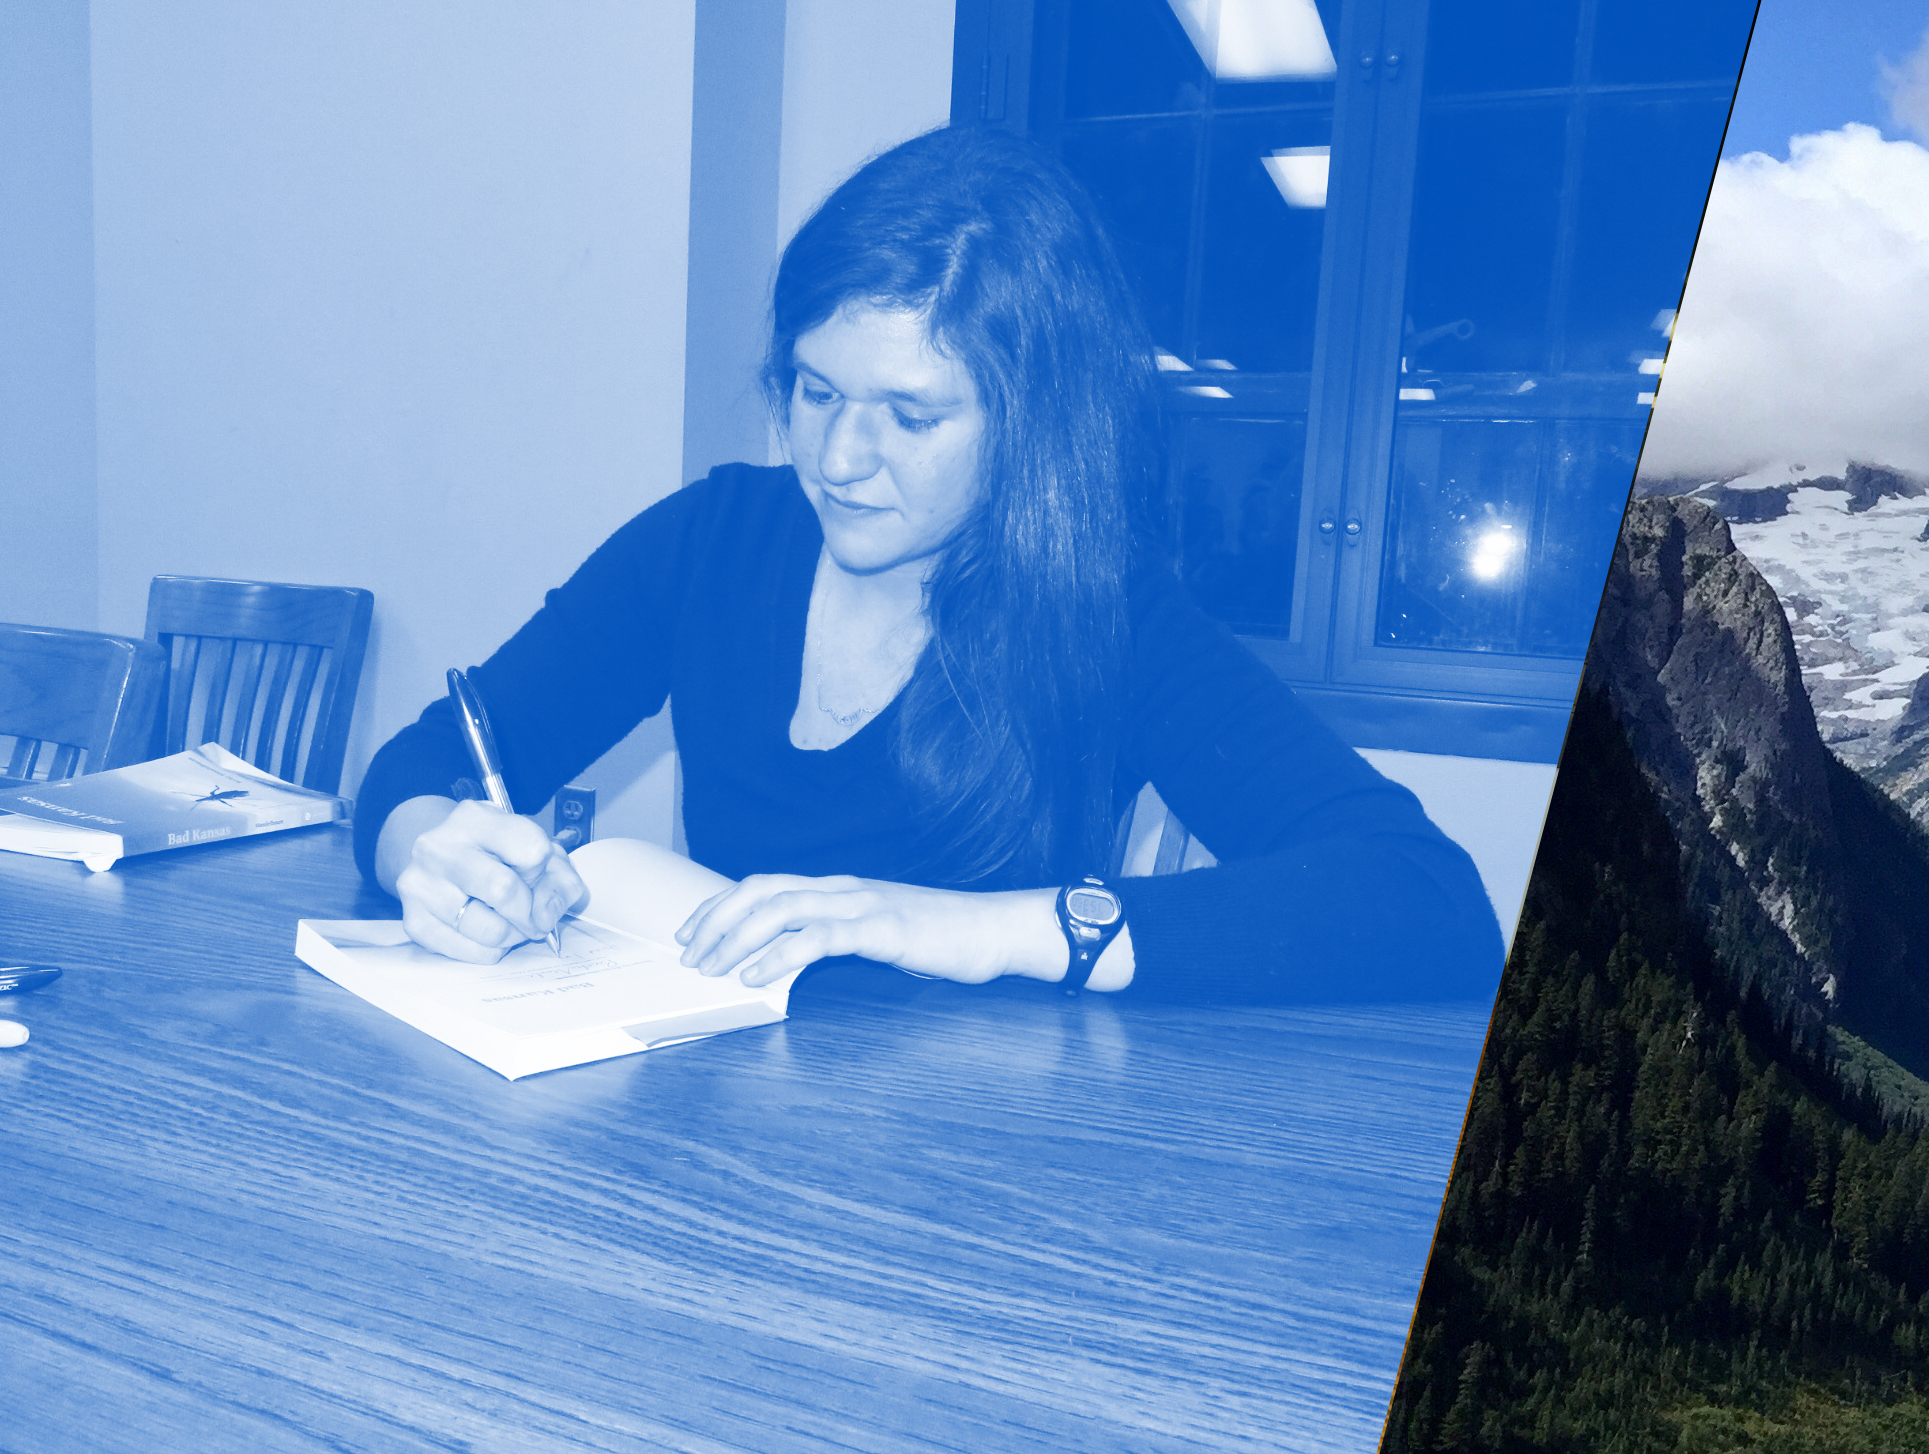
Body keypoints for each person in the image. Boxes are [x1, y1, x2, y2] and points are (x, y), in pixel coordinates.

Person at [352, 127, 1503, 1004]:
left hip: (974, 1167)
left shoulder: (1106, 617)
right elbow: (421, 767)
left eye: (911, 416)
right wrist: (433, 854)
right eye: (815, 392)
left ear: (1029, 424)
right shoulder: (710, 544)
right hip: (708, 1111)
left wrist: (970, 926)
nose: (839, 459)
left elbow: (1429, 901)